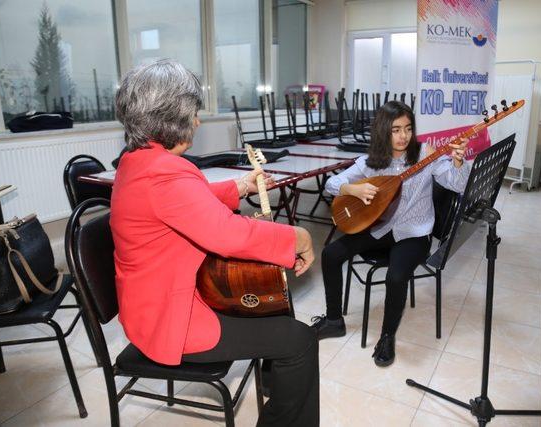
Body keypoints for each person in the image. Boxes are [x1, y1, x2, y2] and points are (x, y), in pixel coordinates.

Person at [110, 59, 319, 427]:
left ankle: (276, 382)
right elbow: (226, 233)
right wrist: (297, 236)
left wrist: (238, 186)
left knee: (273, 307)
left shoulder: (137, 161)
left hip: (152, 301)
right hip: (169, 319)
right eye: (193, 112)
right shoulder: (164, 173)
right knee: (299, 340)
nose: (197, 121)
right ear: (171, 116)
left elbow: (182, 203)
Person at [311, 100, 471, 367]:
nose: (403, 136)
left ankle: (387, 337)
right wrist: (353, 190)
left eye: (408, 128)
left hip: (414, 233)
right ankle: (334, 320)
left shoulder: (425, 154)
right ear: (384, 131)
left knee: (396, 276)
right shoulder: (371, 162)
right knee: (330, 253)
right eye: (396, 130)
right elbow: (332, 183)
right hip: (381, 229)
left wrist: (457, 161)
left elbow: (457, 184)